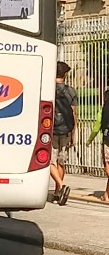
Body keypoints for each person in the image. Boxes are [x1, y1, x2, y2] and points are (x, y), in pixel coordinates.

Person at [51, 61, 77, 206]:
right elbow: (74, 113)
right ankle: (58, 192)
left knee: (49, 161)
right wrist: (73, 132)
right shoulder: (71, 91)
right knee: (61, 161)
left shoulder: (48, 89)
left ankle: (60, 186)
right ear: (65, 75)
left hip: (51, 130)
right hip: (66, 130)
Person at [86, 89, 109, 202]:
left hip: (107, 141)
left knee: (107, 167)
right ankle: (106, 194)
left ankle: (106, 195)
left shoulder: (104, 109)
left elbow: (96, 127)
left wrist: (89, 140)